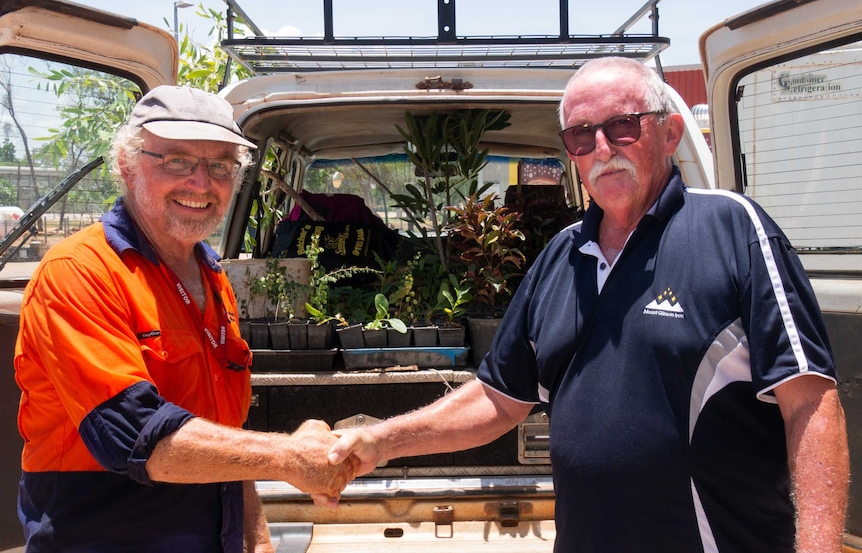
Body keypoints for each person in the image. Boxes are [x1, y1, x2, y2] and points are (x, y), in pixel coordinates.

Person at [329, 57, 850, 553]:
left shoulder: (731, 228)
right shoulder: (562, 255)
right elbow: (499, 399)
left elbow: (810, 401)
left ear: (669, 133)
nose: (602, 148)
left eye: (623, 126)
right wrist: (382, 440)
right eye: (580, 135)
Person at [14, 85, 356, 552]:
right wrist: (289, 457)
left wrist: (256, 541)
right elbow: (134, 434)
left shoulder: (212, 276)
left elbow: (225, 435)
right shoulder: (79, 272)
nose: (200, 182)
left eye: (220, 166)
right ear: (126, 164)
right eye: (175, 160)